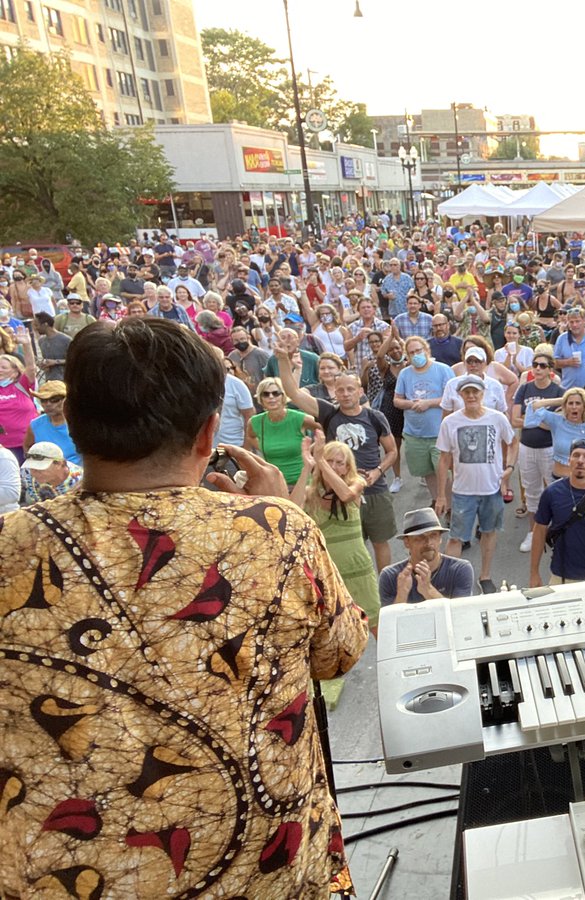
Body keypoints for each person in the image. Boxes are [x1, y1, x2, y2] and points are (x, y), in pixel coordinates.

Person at [0, 316, 369, 897]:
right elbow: (340, 650)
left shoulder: (8, 546)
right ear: (208, 434)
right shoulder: (275, 530)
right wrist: (276, 514)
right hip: (270, 874)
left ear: (70, 422)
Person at [276, 346, 398, 570]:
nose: (345, 394)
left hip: (375, 490)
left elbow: (392, 451)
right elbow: (292, 392)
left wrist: (378, 471)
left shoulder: (375, 417)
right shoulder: (328, 412)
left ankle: (385, 587)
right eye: (340, 390)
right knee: (349, 544)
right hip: (335, 492)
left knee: (381, 542)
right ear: (335, 392)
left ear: (360, 391)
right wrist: (283, 360)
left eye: (350, 389)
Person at [290, 432, 381, 634]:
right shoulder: (310, 493)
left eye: (339, 462)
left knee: (374, 624)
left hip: (357, 569)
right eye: (329, 460)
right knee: (334, 634)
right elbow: (292, 510)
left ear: (347, 467)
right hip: (328, 574)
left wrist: (320, 459)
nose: (333, 466)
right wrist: (307, 466)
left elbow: (346, 495)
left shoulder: (357, 482)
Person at [435, 375, 515, 593]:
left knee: (489, 532)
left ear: (483, 394)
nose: (471, 396)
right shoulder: (450, 422)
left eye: (475, 392)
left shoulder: (497, 418)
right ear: (460, 395)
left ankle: (485, 576)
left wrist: (509, 469)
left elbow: (512, 442)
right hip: (462, 491)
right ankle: (452, 580)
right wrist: (441, 495)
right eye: (466, 392)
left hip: (492, 490)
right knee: (456, 538)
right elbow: (444, 460)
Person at [528, 438, 585, 586]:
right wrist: (534, 573)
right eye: (576, 455)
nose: (580, 460)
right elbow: (539, 531)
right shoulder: (551, 493)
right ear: (569, 461)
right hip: (561, 577)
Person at [512, 351, 564, 551]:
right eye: (535, 365)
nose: (538, 368)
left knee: (555, 489)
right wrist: (541, 420)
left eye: (543, 365)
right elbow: (514, 419)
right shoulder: (524, 388)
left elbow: (558, 424)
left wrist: (533, 420)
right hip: (527, 447)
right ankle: (533, 533)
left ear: (551, 370)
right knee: (532, 491)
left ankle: (557, 530)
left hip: (550, 448)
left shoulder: (559, 392)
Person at [394, 335, 455, 503]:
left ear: (426, 350)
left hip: (438, 432)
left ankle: (449, 505)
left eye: (418, 351)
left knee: (443, 471)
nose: (416, 355)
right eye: (411, 352)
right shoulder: (405, 374)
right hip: (415, 434)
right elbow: (397, 400)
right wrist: (410, 403)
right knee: (427, 470)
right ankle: (438, 502)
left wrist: (429, 403)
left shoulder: (443, 370)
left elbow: (452, 398)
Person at [379, 507, 477, 604]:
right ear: (407, 543)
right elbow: (389, 618)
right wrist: (402, 594)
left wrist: (428, 589)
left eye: (433, 535)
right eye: (420, 537)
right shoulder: (389, 576)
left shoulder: (460, 569)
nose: (428, 542)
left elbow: (460, 614)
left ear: (440, 538)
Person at [246, 376, 317, 488]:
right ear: (260, 398)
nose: (271, 397)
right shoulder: (255, 422)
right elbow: (250, 437)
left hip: (302, 484)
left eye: (276, 393)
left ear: (283, 396)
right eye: (266, 394)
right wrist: (263, 447)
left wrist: (311, 450)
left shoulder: (299, 418)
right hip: (274, 484)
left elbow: (326, 429)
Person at [0, 330, 38, 465]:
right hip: (3, 448)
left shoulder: (22, 384)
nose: (0, 370)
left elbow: (31, 368)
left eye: (3, 367)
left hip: (27, 444)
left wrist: (27, 345)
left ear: (16, 371)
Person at [23, 380, 80, 464]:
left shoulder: (80, 423)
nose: (48, 404)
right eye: (43, 400)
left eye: (55, 400)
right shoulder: (35, 425)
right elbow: (27, 447)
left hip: (78, 473)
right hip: (48, 473)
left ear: (67, 399)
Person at [18, 440, 83, 504]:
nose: (34, 473)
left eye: (40, 468)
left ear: (59, 463)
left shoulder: (81, 480)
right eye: (32, 468)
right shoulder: (26, 472)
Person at [553, 307, 585, 390]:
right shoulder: (562, 339)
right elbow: (554, 363)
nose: (574, 325)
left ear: (584, 321)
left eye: (577, 321)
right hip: (568, 388)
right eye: (571, 322)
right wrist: (567, 362)